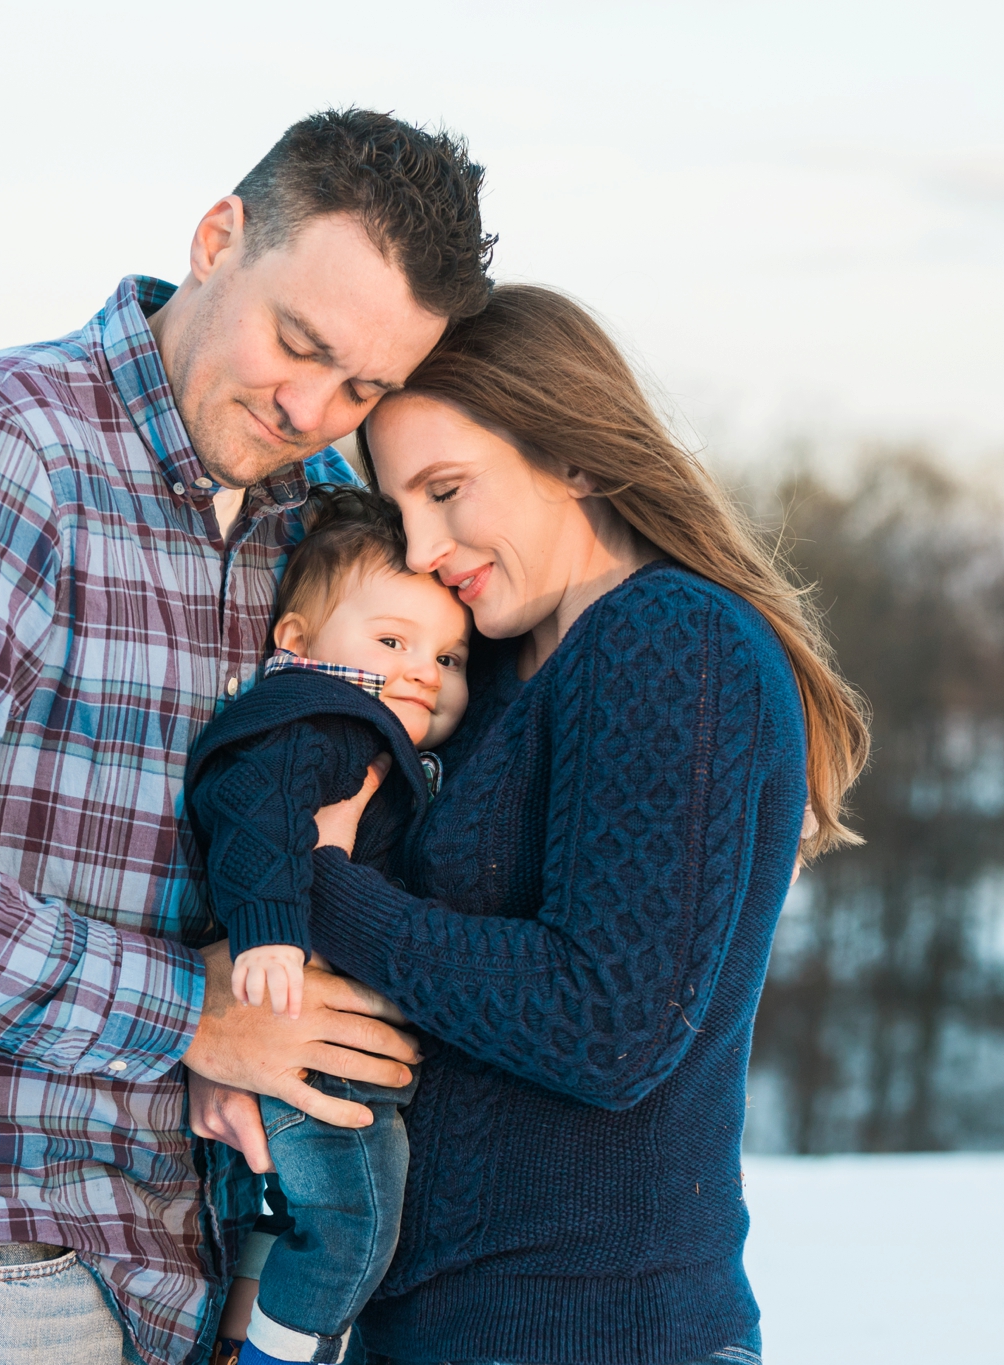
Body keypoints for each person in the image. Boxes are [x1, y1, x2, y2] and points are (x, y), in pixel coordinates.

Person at [0, 109, 495, 1365]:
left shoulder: (307, 521)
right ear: (216, 241)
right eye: (295, 343)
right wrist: (186, 1016)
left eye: (362, 387)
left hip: (174, 1256)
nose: (312, 405)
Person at [190, 284, 870, 1364]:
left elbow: (608, 1026)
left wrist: (307, 889)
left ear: (576, 459)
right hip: (438, 1324)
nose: (418, 545)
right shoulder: (489, 670)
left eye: (447, 490)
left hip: (592, 1322)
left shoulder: (669, 639)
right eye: (400, 504)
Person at [182, 484, 469, 1365]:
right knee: (357, 1223)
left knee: (294, 1213)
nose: (424, 669)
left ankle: (242, 1332)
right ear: (298, 644)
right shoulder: (329, 719)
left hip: (307, 1035)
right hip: (300, 1030)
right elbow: (254, 806)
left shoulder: (371, 729)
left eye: (451, 657)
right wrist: (269, 927)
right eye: (393, 641)